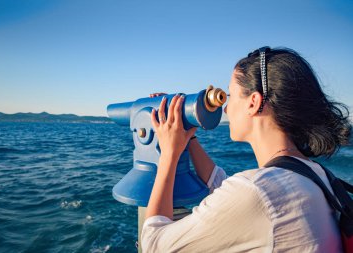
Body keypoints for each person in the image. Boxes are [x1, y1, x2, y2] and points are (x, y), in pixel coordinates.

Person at [141, 47, 352, 252]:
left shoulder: (257, 192)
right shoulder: (315, 173)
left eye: (231, 96)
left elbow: (154, 245)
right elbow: (226, 189)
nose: (225, 108)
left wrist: (169, 153)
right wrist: (188, 136)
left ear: (253, 102)